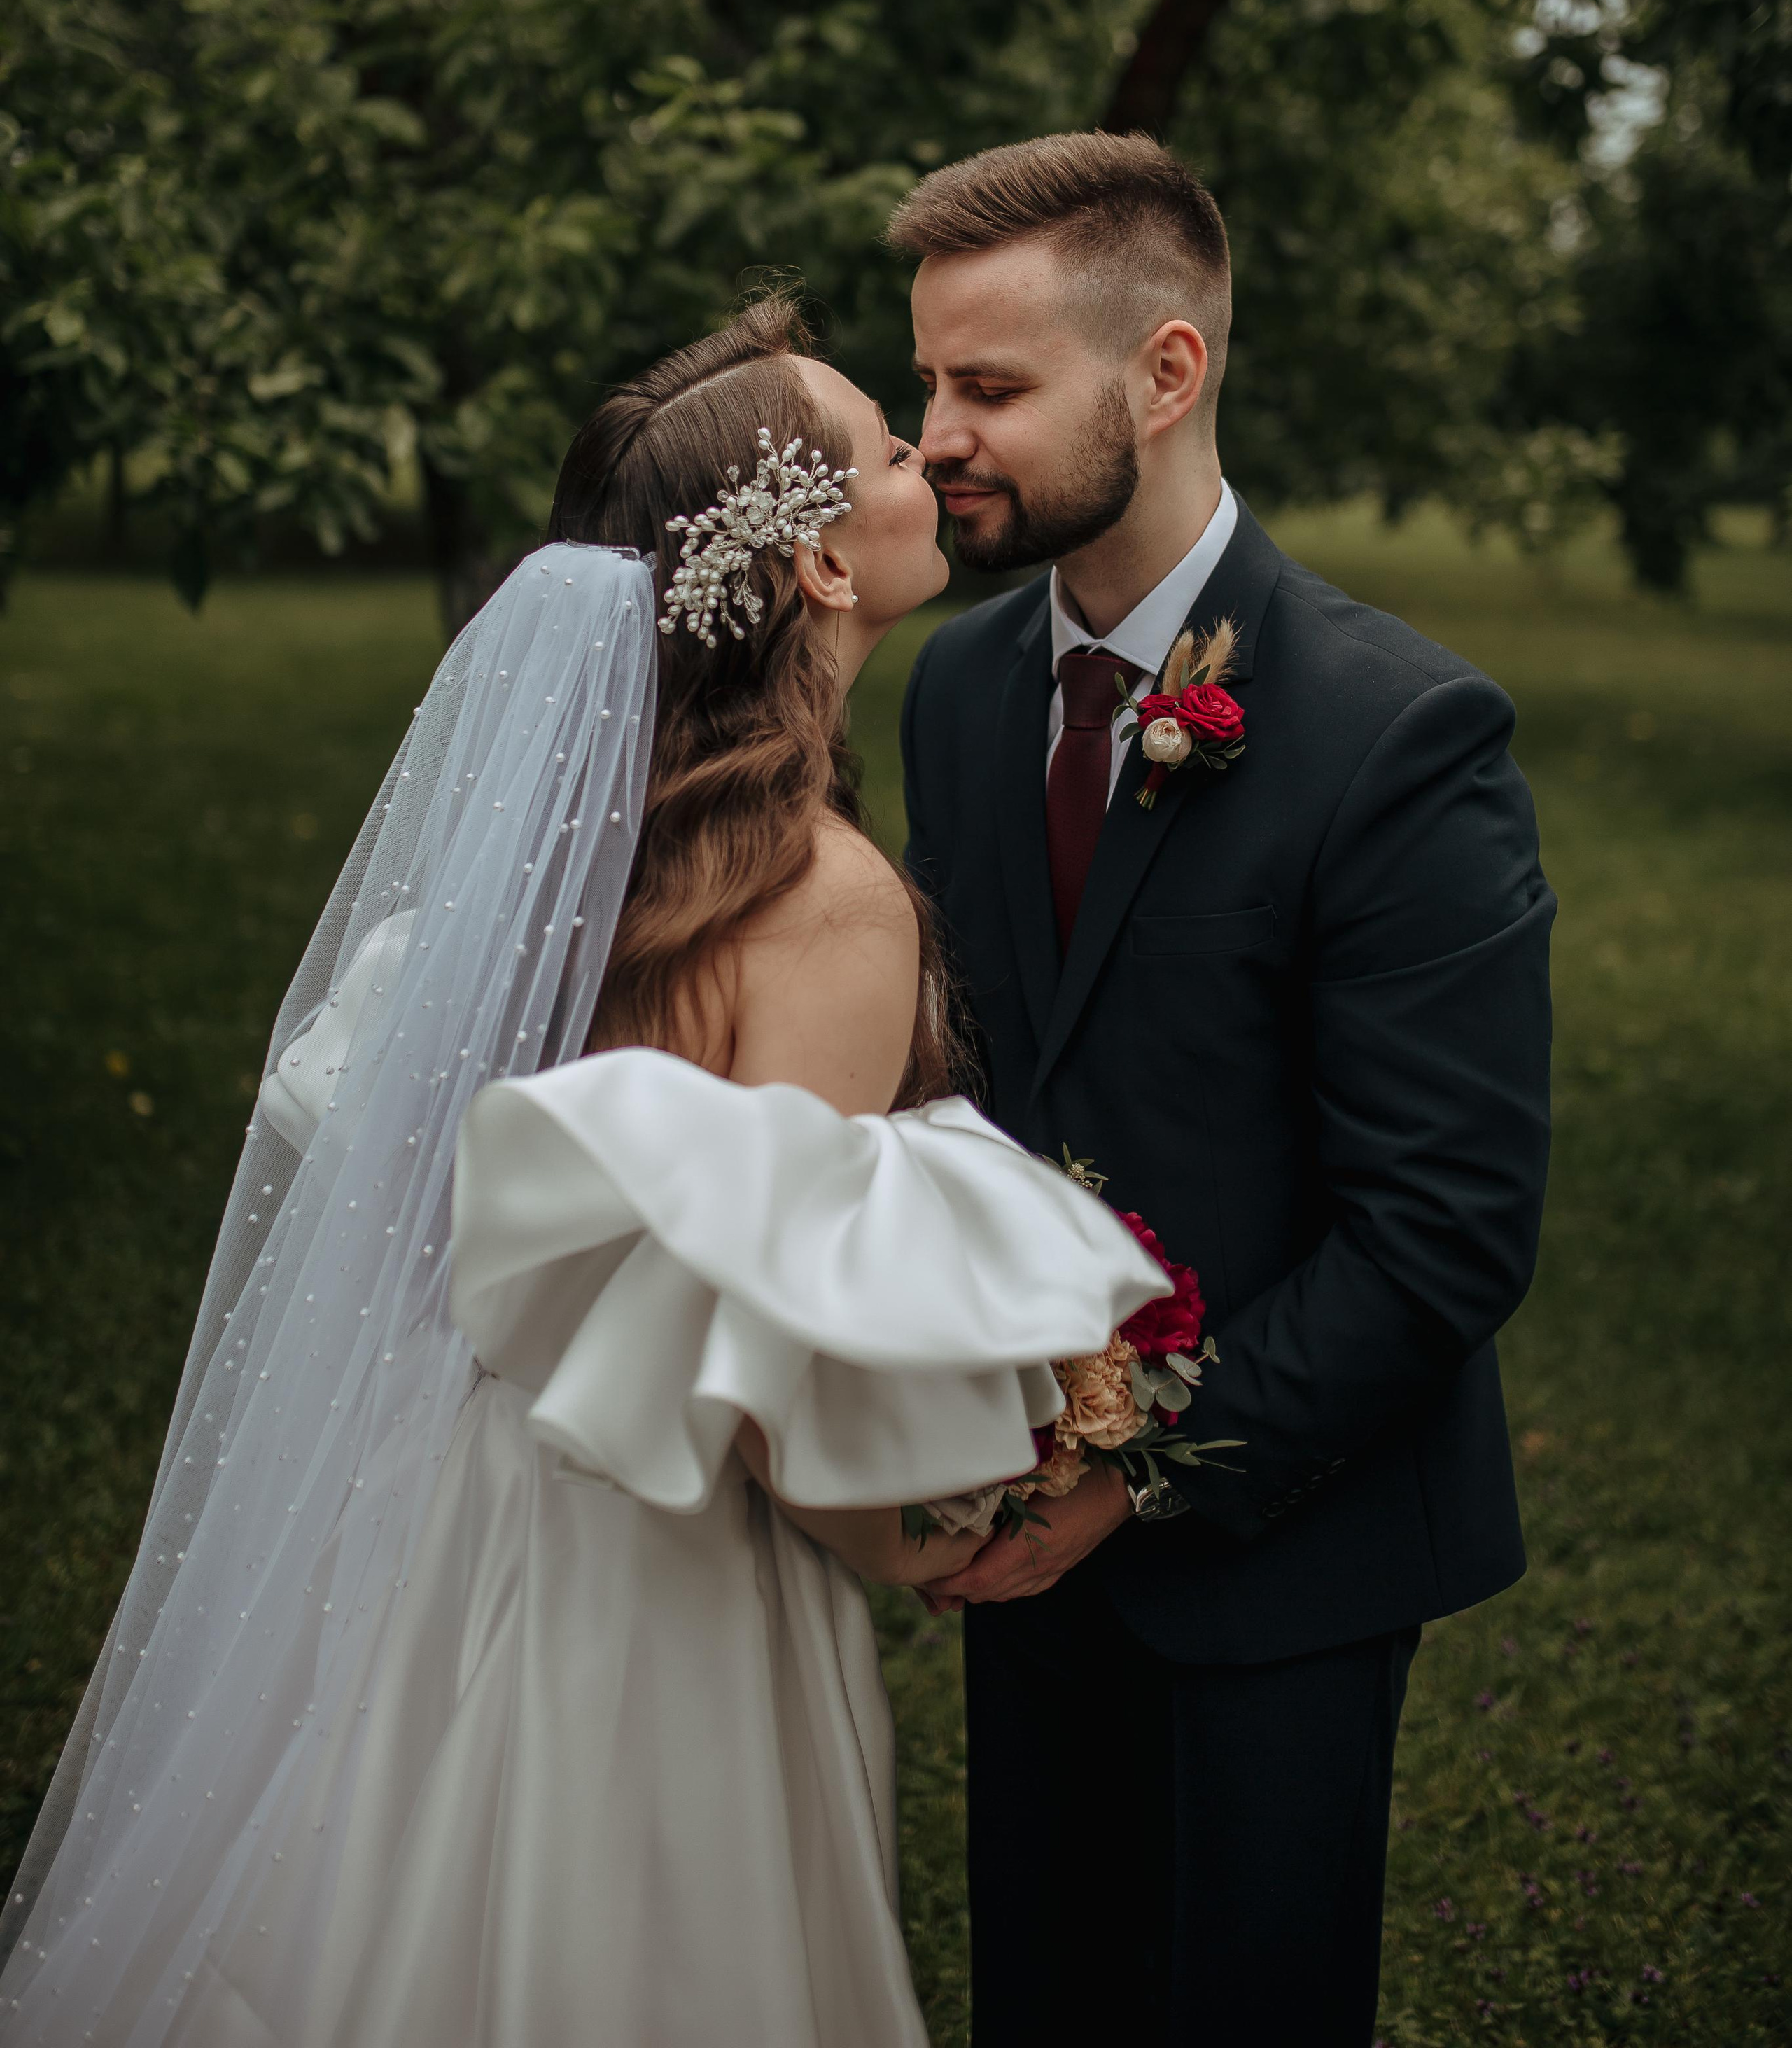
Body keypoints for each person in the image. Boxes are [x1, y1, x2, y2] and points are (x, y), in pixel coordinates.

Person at [1, 296, 1166, 2048]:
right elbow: (770, 1360)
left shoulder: (572, 856)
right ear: (823, 575)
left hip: (429, 1508)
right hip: (651, 1574)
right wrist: (942, 1520)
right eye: (874, 439)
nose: (924, 450)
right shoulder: (829, 904)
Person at [897, 132, 1555, 2048]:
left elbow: (1447, 1233)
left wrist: (1135, 1467)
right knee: (1048, 1982)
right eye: (931, 380)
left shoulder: (1401, 735)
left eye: (992, 388)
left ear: (1166, 373)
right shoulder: (954, 690)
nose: (939, 431)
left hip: (1292, 1540)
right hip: (1023, 1533)